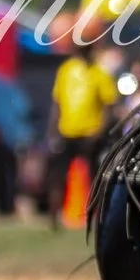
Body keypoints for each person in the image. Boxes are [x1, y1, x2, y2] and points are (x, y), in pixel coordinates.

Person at [46, 39, 115, 225]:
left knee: (94, 176)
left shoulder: (100, 73)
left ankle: (96, 216)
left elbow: (109, 105)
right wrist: (52, 131)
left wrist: (101, 131)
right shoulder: (66, 70)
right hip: (67, 131)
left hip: (91, 133)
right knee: (58, 176)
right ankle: (54, 215)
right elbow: (57, 102)